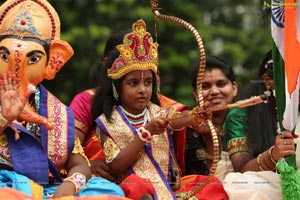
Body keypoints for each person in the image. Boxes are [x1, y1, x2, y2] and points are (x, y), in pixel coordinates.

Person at [0, 0, 125, 199]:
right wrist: (5, 119)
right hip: (6, 184)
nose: (17, 69)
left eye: (33, 60)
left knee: (109, 191)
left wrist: (68, 188)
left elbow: (79, 164)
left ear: (53, 62)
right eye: (4, 56)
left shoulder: (56, 111)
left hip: (50, 189)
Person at [92, 19, 228, 200]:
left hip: (170, 189)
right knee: (136, 187)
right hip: (136, 190)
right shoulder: (106, 122)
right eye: (133, 83)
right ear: (117, 87)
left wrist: (194, 116)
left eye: (148, 82)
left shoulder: (157, 111)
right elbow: (116, 166)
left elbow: (177, 119)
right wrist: (145, 133)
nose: (142, 89)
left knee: (210, 185)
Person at [221, 50, 296, 199]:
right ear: (268, 80)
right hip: (263, 184)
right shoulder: (241, 115)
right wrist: (273, 155)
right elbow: (241, 169)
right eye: (294, 81)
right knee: (241, 185)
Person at [70, 30, 130, 181]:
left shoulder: (155, 106)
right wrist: (89, 165)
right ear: (106, 64)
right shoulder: (86, 100)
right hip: (97, 182)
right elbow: (67, 148)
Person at [173, 56, 238, 178]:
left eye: (221, 84)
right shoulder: (187, 129)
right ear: (196, 96)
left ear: (234, 88)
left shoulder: (247, 119)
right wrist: (209, 137)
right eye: (205, 86)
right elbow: (201, 180)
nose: (214, 91)